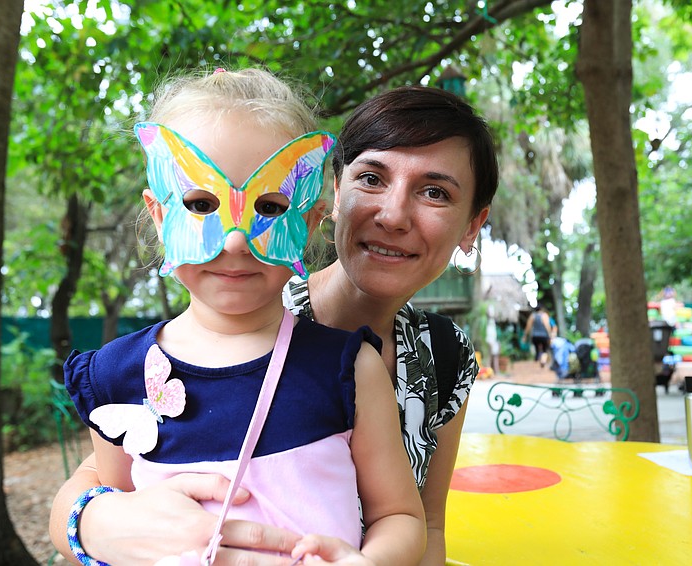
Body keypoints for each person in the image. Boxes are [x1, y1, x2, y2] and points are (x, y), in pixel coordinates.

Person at [49, 80, 498, 565]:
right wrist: (91, 524)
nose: (393, 215)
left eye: (434, 192)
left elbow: (423, 523)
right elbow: (104, 484)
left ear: (473, 223)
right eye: (371, 178)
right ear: (333, 194)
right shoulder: (225, 310)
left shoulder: (436, 353)